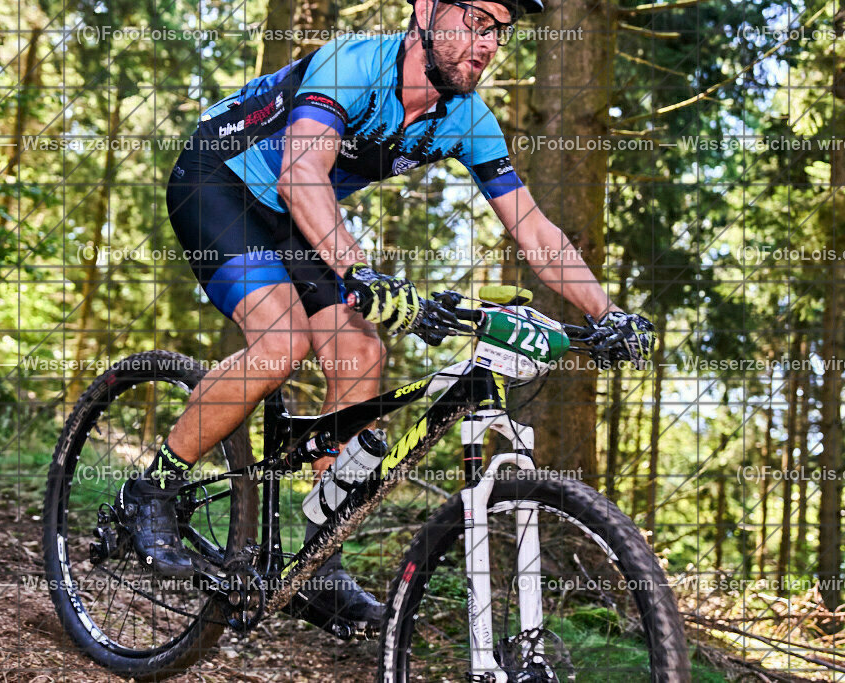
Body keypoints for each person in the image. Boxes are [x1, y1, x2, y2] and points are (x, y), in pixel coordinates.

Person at [116, 0, 656, 629]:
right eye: (475, 22)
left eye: (499, 32)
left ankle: (318, 564)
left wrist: (607, 313)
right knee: (282, 342)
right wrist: (361, 273)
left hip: (296, 212)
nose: (488, 43)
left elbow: (533, 229)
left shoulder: (467, 118)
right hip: (219, 180)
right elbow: (300, 171)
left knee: (361, 354)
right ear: (425, 10)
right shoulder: (351, 66)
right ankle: (149, 491)